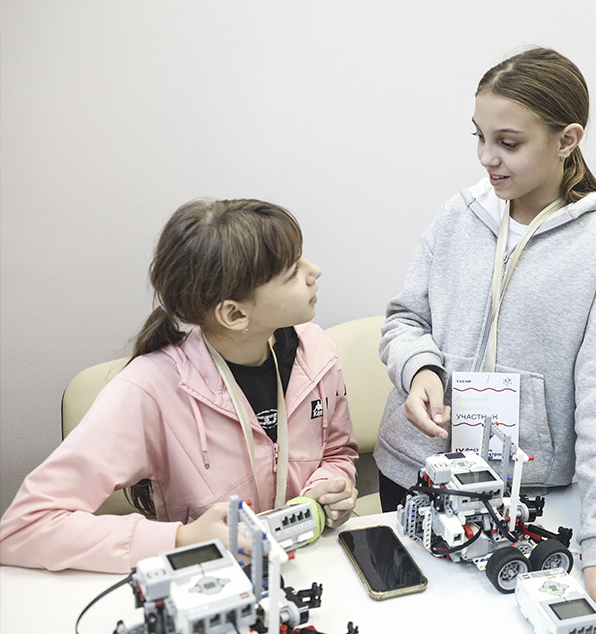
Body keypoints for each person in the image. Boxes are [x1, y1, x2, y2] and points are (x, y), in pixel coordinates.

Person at [374, 48, 596, 633]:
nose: (486, 158)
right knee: (418, 632)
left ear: (567, 140)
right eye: (479, 136)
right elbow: (404, 319)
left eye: (508, 142)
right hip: (418, 471)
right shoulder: (459, 215)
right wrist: (419, 371)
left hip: (525, 490)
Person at [0, 199, 359, 573]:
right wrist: (183, 540)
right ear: (234, 313)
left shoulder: (316, 352)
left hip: (307, 568)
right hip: (212, 581)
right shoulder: (149, 390)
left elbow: (337, 453)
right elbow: (24, 528)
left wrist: (326, 492)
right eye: (291, 273)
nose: (314, 271)